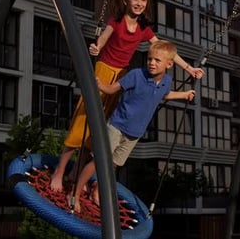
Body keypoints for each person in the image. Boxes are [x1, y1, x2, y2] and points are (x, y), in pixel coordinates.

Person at [50, 0, 204, 192]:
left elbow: (166, 51)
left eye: (143, 0)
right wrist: (96, 47)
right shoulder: (117, 22)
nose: (139, 3)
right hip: (104, 71)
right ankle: (59, 171)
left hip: (122, 77)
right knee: (83, 121)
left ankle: (76, 172)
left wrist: (188, 69)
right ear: (126, 1)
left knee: (100, 129)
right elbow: (102, 40)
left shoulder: (143, 29)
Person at [71, 40, 195, 213]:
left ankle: (97, 191)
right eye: (150, 59)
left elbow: (164, 94)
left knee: (114, 165)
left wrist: (184, 94)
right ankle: (75, 194)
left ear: (169, 64)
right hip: (117, 126)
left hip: (135, 133)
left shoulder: (167, 80)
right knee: (99, 162)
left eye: (157, 60)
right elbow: (112, 89)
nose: (152, 63)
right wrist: (100, 85)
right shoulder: (136, 75)